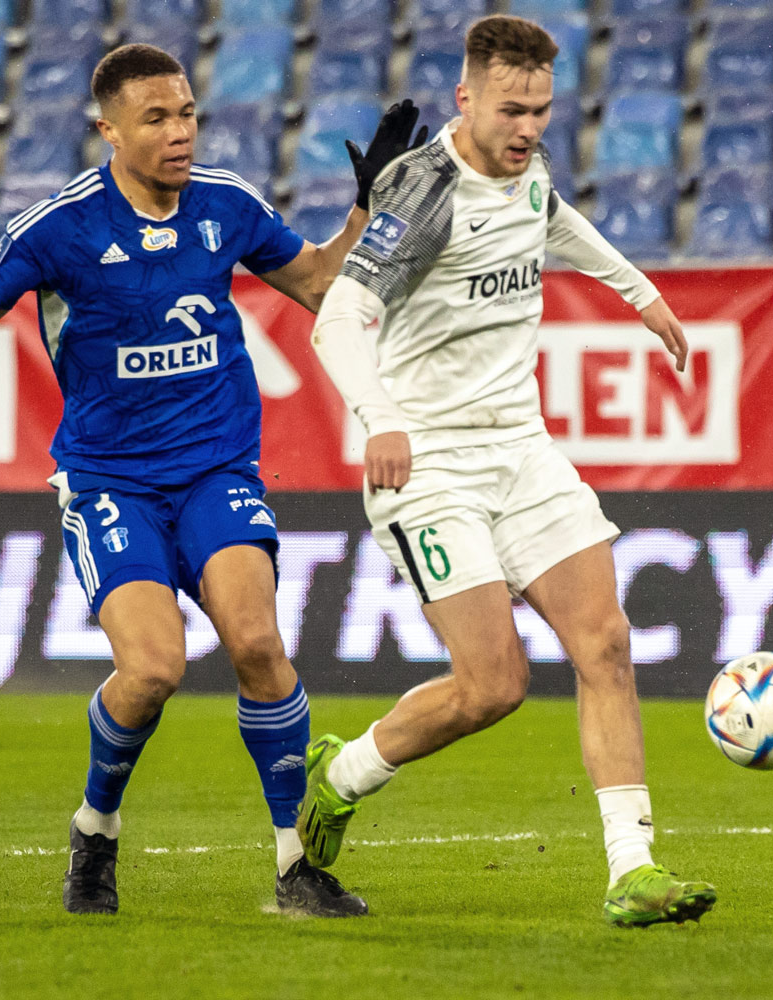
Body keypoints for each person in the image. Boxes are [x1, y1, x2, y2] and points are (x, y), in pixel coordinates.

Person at [0, 43, 425, 918]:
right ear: (107, 129)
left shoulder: (226, 204)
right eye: (156, 118)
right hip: (111, 482)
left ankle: (294, 864)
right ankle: (95, 830)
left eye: (187, 112)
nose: (180, 131)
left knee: (260, 647)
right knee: (151, 669)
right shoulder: (59, 227)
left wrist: (368, 208)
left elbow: (320, 283)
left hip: (215, 469)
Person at [297, 14, 715, 927]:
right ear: (466, 98)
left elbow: (550, 219)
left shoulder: (530, 169)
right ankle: (340, 774)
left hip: (521, 448)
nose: (528, 129)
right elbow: (336, 318)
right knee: (493, 687)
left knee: (605, 643)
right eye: (511, 110)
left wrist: (638, 292)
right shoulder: (424, 190)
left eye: (541, 111)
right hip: (430, 463)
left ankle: (632, 870)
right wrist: (381, 419)